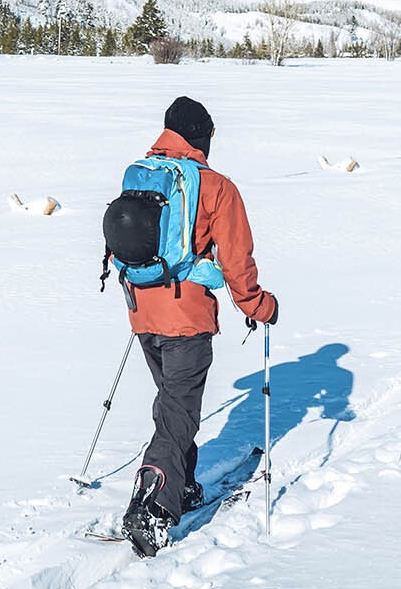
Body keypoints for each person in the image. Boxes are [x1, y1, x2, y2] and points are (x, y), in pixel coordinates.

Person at [118, 96, 279, 557]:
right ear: (202, 136)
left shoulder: (141, 173)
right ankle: (152, 507)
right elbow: (236, 261)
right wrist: (258, 305)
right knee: (178, 413)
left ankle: (184, 485)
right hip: (185, 319)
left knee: (173, 404)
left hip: (141, 312)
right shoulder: (215, 187)